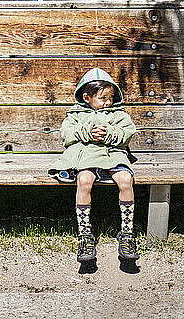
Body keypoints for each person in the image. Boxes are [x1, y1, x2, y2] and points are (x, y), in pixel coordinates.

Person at [49, 68, 139, 263]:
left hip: (112, 154)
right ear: (87, 97)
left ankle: (127, 233)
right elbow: (67, 134)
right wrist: (87, 132)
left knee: (125, 180)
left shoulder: (118, 114)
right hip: (86, 156)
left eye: (111, 97)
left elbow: (127, 133)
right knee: (84, 180)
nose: (108, 102)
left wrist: (110, 133)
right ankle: (85, 235)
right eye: (103, 98)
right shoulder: (75, 114)